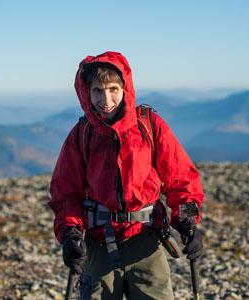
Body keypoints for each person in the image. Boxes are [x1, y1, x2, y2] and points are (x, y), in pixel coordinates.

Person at [48, 51, 204, 299]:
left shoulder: (150, 125)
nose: (106, 99)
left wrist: (187, 223)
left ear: (125, 89)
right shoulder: (81, 134)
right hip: (99, 242)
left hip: (146, 240)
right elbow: (66, 193)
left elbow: (181, 180)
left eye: (113, 89)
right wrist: (70, 233)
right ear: (86, 92)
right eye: (97, 90)